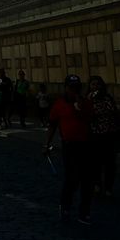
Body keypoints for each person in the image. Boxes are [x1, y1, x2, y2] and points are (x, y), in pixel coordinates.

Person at [45, 75, 94, 225]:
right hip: (69, 145)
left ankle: (84, 212)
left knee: (87, 180)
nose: (75, 91)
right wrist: (46, 144)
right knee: (72, 178)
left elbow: (91, 120)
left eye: (77, 88)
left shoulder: (85, 102)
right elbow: (52, 124)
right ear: (66, 88)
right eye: (72, 88)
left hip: (86, 144)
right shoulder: (59, 104)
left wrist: (80, 107)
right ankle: (65, 206)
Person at [87, 76, 120, 197]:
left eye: (97, 84)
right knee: (95, 161)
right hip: (95, 134)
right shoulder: (87, 99)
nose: (95, 87)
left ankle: (108, 187)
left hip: (109, 134)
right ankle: (97, 184)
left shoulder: (107, 98)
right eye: (93, 84)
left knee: (110, 162)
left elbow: (113, 111)